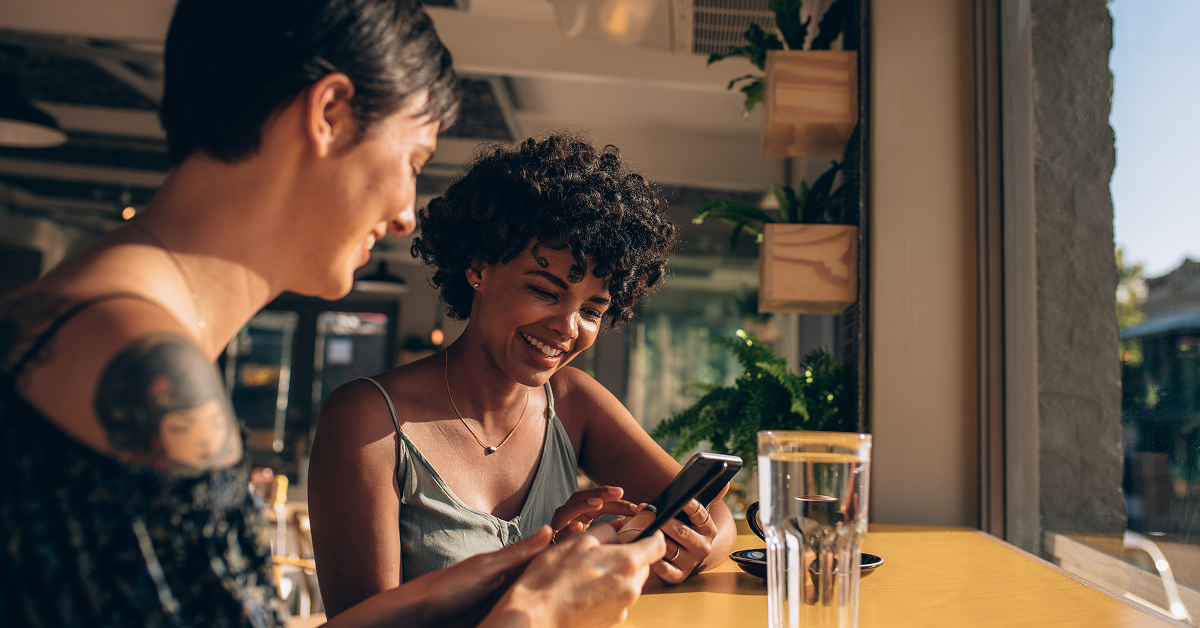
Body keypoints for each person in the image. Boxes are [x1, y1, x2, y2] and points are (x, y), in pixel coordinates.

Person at [0, 1, 664, 626]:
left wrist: (527, 565)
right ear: (330, 113)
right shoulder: (138, 361)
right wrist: (536, 614)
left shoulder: (80, 312)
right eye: (413, 159)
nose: (407, 212)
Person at [307, 133, 738, 617]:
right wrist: (542, 575)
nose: (567, 329)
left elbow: (718, 517)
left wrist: (690, 546)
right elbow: (363, 624)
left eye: (593, 311)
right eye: (545, 291)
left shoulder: (572, 400)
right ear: (479, 267)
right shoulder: (367, 422)